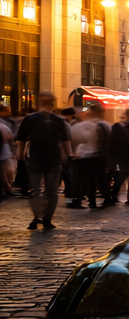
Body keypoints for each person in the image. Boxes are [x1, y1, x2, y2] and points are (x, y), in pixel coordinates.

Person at [15, 92, 73, 230]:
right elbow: (65, 141)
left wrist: (21, 157)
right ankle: (46, 218)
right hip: (52, 159)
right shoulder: (58, 121)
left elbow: (21, 140)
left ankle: (38, 217)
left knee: (36, 189)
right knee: (51, 190)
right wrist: (69, 157)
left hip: (35, 158)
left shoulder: (30, 119)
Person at [68, 104, 110, 208]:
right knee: (94, 179)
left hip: (81, 155)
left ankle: (77, 199)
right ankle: (93, 200)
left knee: (80, 178)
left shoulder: (81, 124)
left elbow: (73, 139)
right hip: (96, 155)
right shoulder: (103, 124)